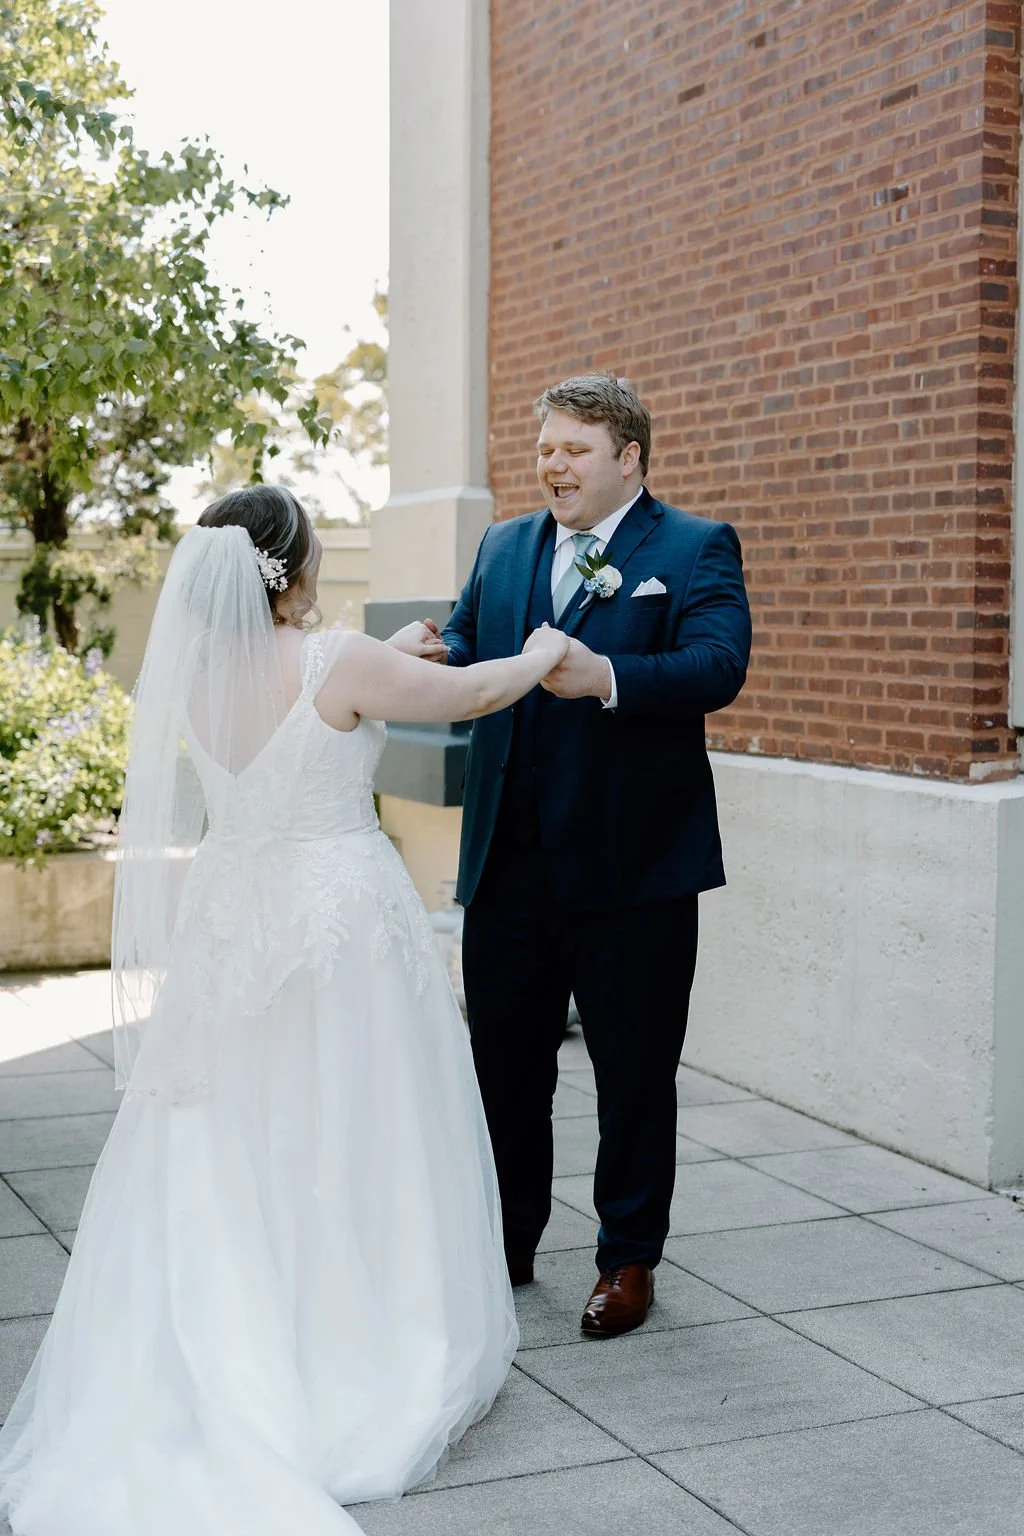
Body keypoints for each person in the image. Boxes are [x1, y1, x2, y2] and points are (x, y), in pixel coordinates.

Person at [0, 485, 569, 1536]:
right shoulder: (335, 658)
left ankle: (226, 1338)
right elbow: (468, 695)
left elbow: (335, 695)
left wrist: (389, 651)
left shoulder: (199, 674)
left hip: (236, 921)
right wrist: (536, 656)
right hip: (336, 928)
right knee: (353, 1124)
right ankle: (353, 1346)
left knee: (237, 1130)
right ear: (292, 568)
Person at [425, 374, 752, 1338]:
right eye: (547, 448)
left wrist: (607, 674)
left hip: (634, 873)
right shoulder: (504, 544)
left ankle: (627, 1260)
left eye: (574, 449)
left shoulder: (693, 548)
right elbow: (464, 634)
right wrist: (428, 653)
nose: (552, 464)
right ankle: (509, 1241)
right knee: (505, 1071)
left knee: (634, 1077)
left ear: (629, 458)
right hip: (508, 868)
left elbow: (719, 665)